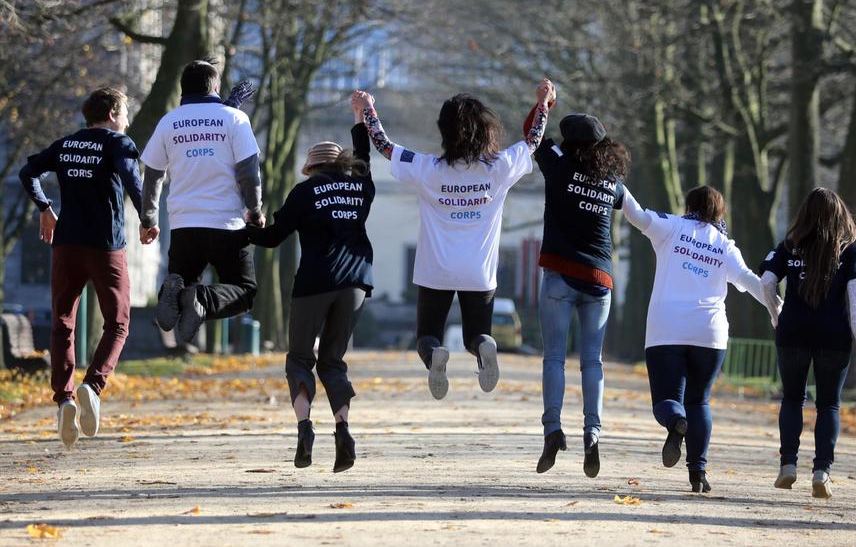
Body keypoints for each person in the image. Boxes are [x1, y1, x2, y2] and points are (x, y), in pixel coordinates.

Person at [357, 79, 553, 399]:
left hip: (435, 270)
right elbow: (533, 140)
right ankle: (485, 346)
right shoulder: (499, 168)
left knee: (428, 335)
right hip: (479, 271)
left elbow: (384, 145)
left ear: (444, 131)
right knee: (475, 334)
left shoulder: (427, 169)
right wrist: (543, 103)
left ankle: (435, 353)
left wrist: (368, 110)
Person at [19, 87, 155, 447]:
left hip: (66, 245)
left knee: (62, 322)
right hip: (106, 246)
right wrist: (147, 217)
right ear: (112, 113)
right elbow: (133, 181)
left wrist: (46, 208)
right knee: (118, 322)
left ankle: (64, 398)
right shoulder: (118, 143)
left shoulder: (66, 145)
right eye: (124, 112)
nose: (126, 119)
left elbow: (27, 171)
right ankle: (92, 386)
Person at [622, 185, 777, 493]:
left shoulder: (672, 227)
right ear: (720, 213)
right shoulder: (725, 245)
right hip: (710, 333)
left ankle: (675, 420)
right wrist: (779, 312)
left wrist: (618, 187)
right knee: (700, 400)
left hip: (667, 328)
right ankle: (699, 474)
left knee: (668, 400)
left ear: (688, 205)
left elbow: (636, 215)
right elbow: (750, 280)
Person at [247, 102, 375, 473]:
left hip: (314, 283)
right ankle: (344, 431)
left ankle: (305, 429)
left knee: (300, 359)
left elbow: (272, 238)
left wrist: (245, 228)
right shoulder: (360, 188)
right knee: (333, 361)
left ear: (311, 167)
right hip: (354, 283)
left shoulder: (304, 193)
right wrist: (360, 118)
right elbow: (365, 155)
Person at [525, 104, 629, 478]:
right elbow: (625, 203)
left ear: (569, 142)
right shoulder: (611, 180)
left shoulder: (558, 165)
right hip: (600, 280)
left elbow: (532, 135)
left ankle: (552, 430)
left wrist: (544, 104)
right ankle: (593, 432)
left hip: (560, 274)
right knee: (593, 361)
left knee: (554, 358)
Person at [140, 60, 262, 345]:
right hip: (228, 224)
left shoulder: (169, 121)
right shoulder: (234, 119)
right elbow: (248, 170)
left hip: (185, 225)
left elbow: (153, 175)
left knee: (182, 288)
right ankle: (202, 298)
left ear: (183, 88)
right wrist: (254, 210)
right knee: (244, 291)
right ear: (216, 86)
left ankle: (180, 292)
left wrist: (148, 220)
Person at [759, 187, 856, 499]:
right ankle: (822, 471)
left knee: (792, 399)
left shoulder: (788, 247)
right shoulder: (849, 252)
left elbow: (767, 282)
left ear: (803, 213)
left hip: (793, 330)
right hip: (833, 335)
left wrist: (776, 312)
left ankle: (788, 465)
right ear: (840, 215)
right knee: (829, 404)